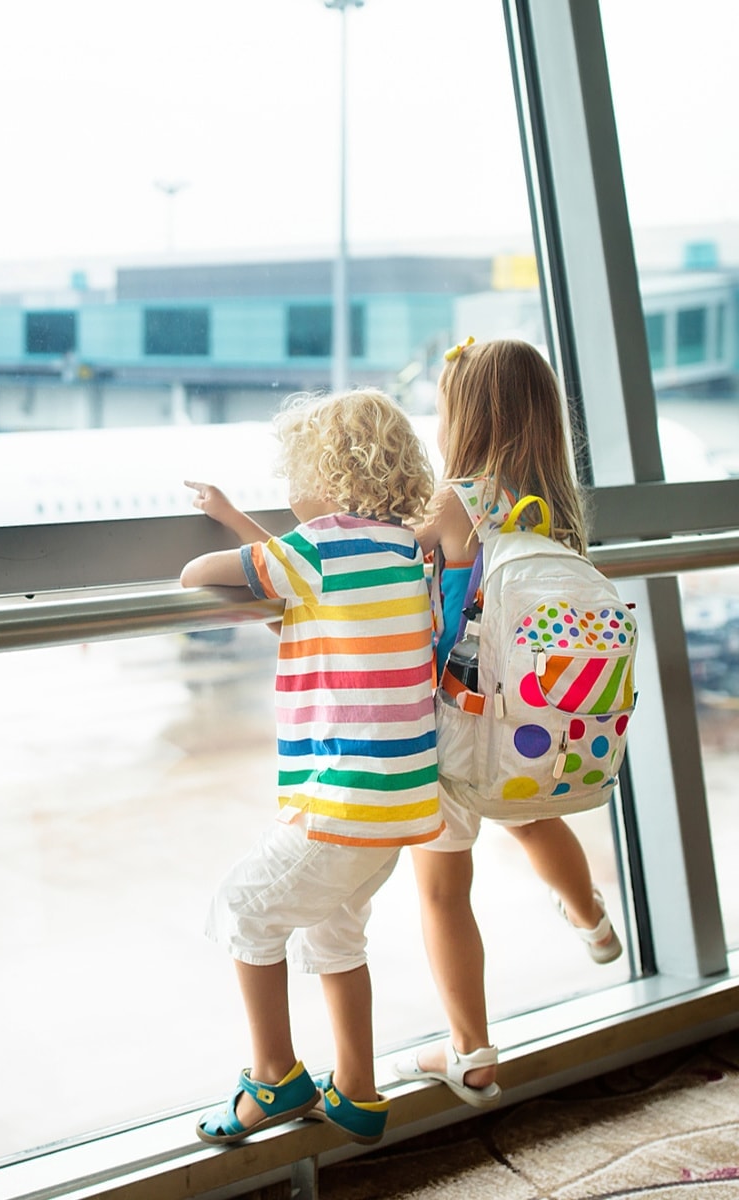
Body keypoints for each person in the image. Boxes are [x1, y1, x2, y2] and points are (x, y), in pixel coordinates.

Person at [181, 387, 441, 1145]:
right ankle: (357, 1092)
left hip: (338, 808)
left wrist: (228, 540)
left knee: (243, 910)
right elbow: (319, 596)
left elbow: (202, 574)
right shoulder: (399, 549)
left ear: (327, 471)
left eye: (294, 468)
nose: (288, 486)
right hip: (396, 814)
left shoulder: (317, 549)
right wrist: (241, 522)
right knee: (335, 939)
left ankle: (274, 1078)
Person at [393, 336, 623, 1109]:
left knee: (442, 894)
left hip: (458, 729)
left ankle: (472, 1052)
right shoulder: (558, 508)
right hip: (542, 732)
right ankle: (591, 919)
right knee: (532, 821)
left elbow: (394, 557)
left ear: (465, 414)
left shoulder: (457, 499)